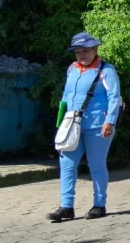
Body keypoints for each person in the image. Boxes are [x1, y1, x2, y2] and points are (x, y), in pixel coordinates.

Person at [47, 32, 121, 222]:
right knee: (66, 163)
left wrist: (110, 121)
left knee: (96, 164)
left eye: (85, 51)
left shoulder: (106, 70)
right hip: (72, 125)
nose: (81, 55)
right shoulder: (72, 69)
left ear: (95, 50)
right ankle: (66, 207)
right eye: (78, 51)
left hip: (98, 125)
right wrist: (61, 122)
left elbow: (114, 97)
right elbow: (65, 95)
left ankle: (99, 205)